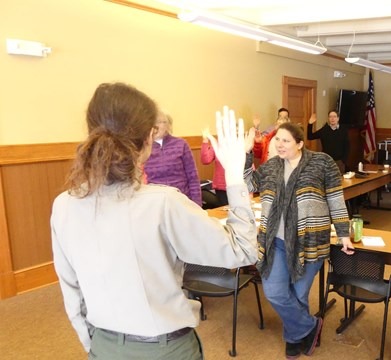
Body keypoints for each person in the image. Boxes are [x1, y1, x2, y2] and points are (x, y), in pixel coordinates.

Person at [51, 82, 258, 359]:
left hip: (103, 346)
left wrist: (98, 348)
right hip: (165, 349)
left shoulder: (64, 205)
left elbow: (73, 295)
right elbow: (243, 250)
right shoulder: (164, 203)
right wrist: (234, 174)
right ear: (149, 137)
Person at [241, 122, 354, 359]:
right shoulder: (271, 166)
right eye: (277, 140)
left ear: (300, 144)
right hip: (276, 241)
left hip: (310, 240)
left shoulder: (322, 162)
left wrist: (344, 233)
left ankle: (293, 338)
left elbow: (335, 198)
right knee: (274, 293)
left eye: (286, 141)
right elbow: (248, 183)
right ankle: (309, 326)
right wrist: (246, 153)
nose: (279, 145)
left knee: (299, 295)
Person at [144, 109, 202, 206]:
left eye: (159, 122)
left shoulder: (181, 144)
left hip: (182, 201)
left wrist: (197, 205)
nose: (155, 126)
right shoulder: (144, 147)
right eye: (152, 122)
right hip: (156, 204)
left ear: (168, 124)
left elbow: (193, 177)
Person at [201, 126, 229, 207]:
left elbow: (249, 166)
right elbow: (205, 160)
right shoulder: (217, 145)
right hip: (221, 187)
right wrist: (205, 140)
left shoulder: (239, 145)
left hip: (236, 186)